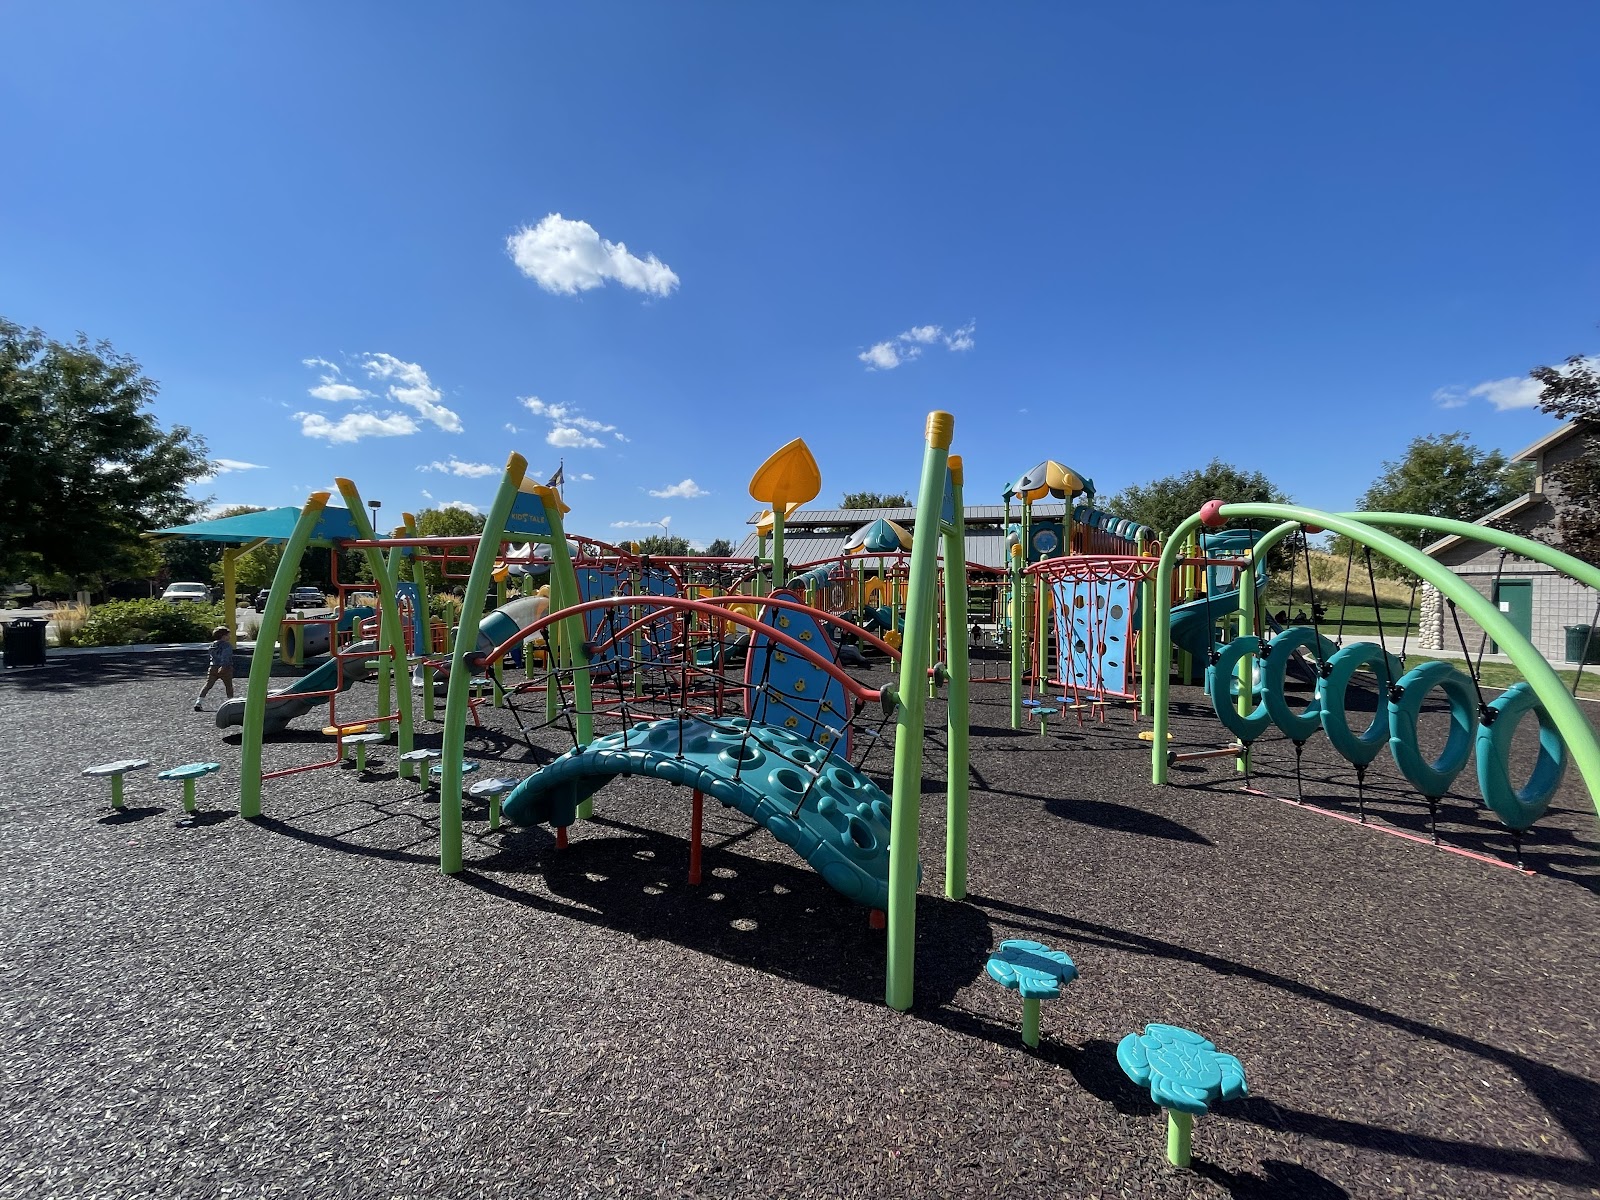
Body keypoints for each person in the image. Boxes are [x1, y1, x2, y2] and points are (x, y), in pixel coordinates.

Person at [194, 626, 234, 711]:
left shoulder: (213, 645)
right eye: (228, 635)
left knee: (208, 685)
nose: (229, 637)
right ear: (224, 636)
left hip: (213, 667)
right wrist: (223, 666)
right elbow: (225, 656)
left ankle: (199, 702)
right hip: (225, 668)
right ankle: (231, 703)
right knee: (228, 686)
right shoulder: (227, 645)